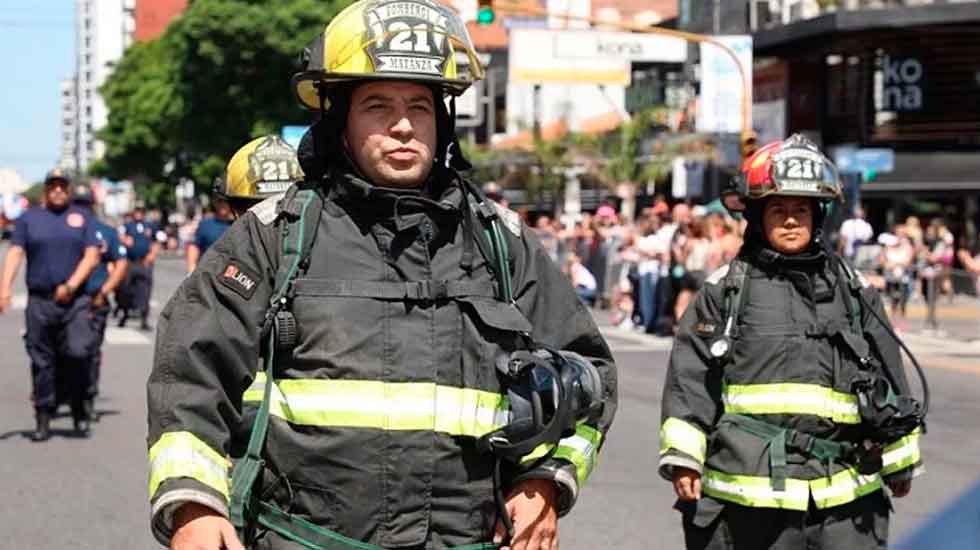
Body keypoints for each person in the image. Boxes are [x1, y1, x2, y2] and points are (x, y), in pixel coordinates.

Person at [146, 2, 618, 549]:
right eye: (377, 105)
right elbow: (190, 377)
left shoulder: (501, 243)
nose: (401, 126)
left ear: (441, 120)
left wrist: (546, 479)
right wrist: (193, 505)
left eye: (419, 106)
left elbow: (590, 376)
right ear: (339, 118)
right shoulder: (274, 237)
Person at [659, 135, 924, 550]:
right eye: (778, 210)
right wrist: (684, 459)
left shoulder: (854, 291)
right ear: (758, 216)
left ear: (817, 217)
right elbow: (690, 382)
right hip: (748, 498)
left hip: (846, 500)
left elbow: (890, 377)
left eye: (800, 210)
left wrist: (900, 460)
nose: (789, 221)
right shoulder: (725, 291)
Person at [0, 170, 100, 440]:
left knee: (79, 352)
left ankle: (79, 408)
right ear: (46, 190)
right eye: (53, 186)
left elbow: (92, 255)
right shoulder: (28, 220)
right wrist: (5, 288)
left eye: (62, 186)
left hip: (75, 300)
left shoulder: (83, 219)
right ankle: (43, 417)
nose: (58, 190)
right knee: (42, 360)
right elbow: (16, 252)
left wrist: (70, 285)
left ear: (68, 191)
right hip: (40, 301)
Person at [69, 183, 129, 421]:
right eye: (78, 205)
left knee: (91, 352)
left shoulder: (106, 231)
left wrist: (104, 291)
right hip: (67, 301)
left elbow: (121, 264)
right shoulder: (66, 231)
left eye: (84, 205)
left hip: (95, 301)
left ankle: (88, 397)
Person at [118, 206, 160, 330]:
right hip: (130, 262)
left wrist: (152, 254)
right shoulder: (127, 226)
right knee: (126, 290)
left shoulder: (150, 226)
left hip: (144, 262)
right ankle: (124, 314)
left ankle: (144, 319)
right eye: (137, 212)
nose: (139, 214)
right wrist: (124, 239)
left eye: (141, 212)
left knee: (145, 291)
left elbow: (157, 241)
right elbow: (118, 236)